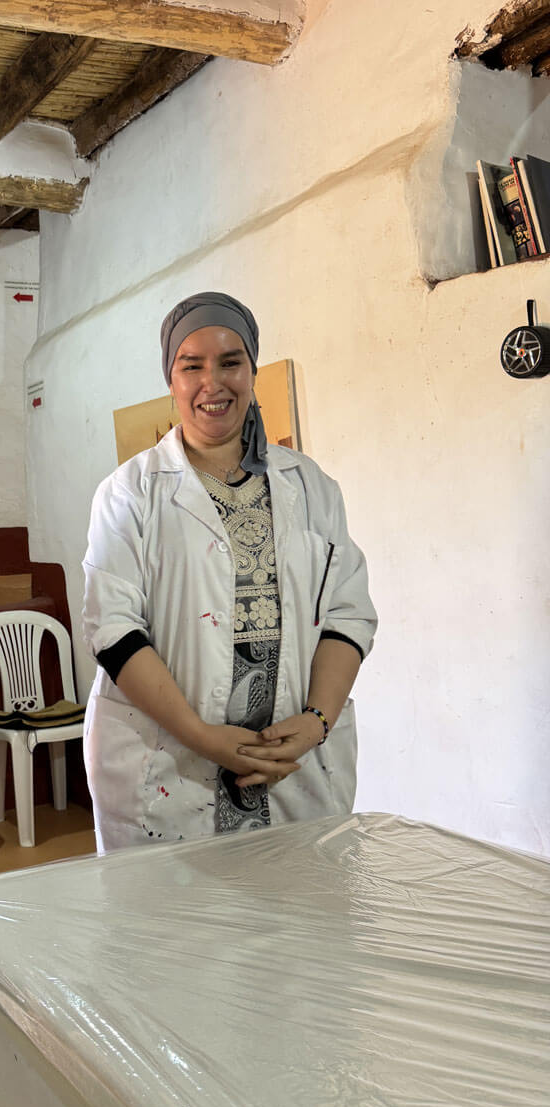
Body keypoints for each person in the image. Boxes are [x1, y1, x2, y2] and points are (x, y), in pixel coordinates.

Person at [82, 292, 377, 853]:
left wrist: (316, 721)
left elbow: (347, 612)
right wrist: (203, 738)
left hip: (294, 764)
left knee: (298, 927)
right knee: (177, 936)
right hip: (171, 764)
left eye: (230, 362)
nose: (212, 382)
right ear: (171, 379)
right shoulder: (130, 493)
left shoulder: (311, 487)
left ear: (252, 371)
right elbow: (112, 630)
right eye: (191, 365)